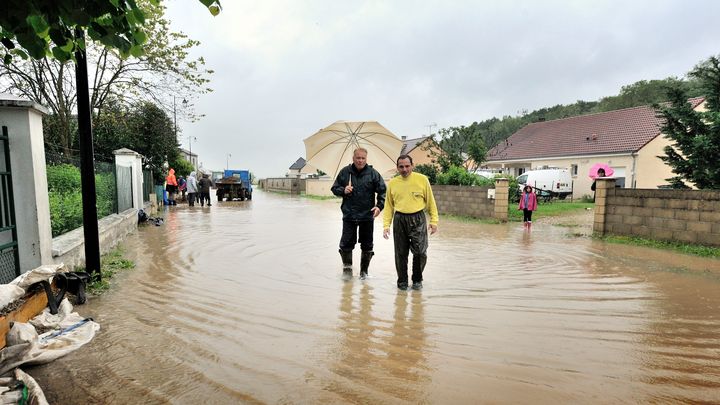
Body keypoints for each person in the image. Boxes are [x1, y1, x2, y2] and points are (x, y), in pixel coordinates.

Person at [383, 155, 438, 291]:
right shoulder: (393, 183)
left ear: (412, 165)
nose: (404, 169)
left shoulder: (422, 180)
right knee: (401, 253)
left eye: (407, 166)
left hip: (418, 218)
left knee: (420, 252)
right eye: (401, 167)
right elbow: (389, 206)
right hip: (399, 219)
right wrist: (386, 225)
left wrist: (434, 220)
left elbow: (431, 201)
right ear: (397, 168)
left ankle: (417, 280)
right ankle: (402, 282)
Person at [331, 148, 386, 280]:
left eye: (363, 158)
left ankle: (364, 272)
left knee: (367, 245)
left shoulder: (373, 174)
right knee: (345, 244)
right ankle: (347, 270)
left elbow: (383, 191)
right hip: (349, 215)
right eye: (358, 158)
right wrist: (343, 190)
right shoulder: (345, 172)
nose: (360, 160)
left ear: (366, 159)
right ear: (353, 158)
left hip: (367, 216)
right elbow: (334, 188)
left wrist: (379, 207)